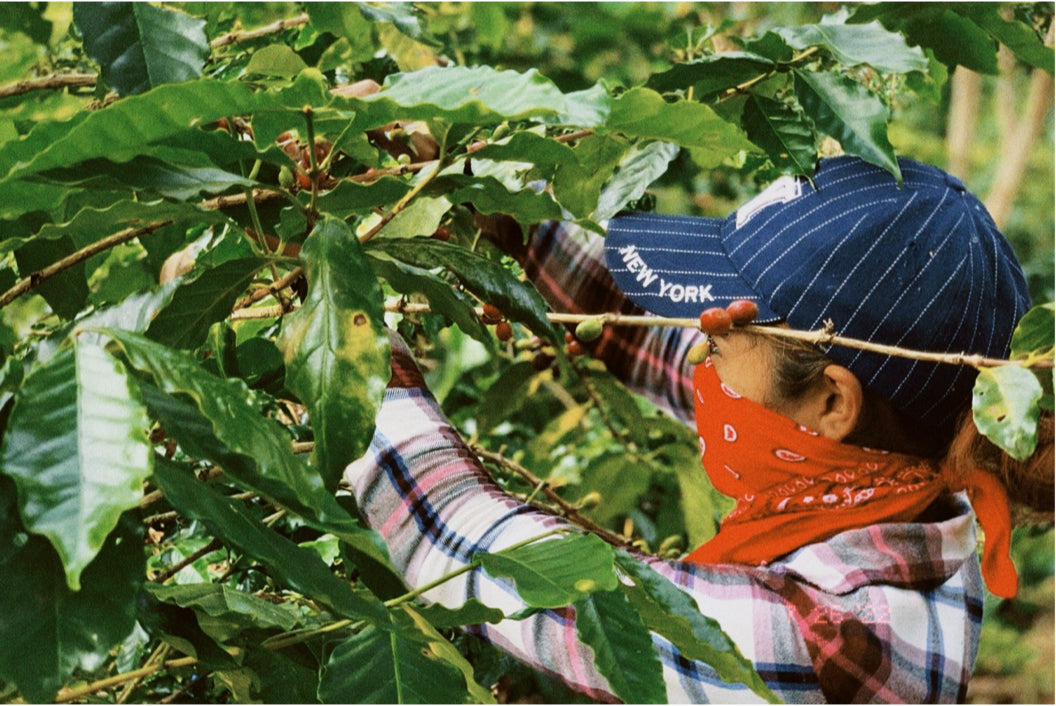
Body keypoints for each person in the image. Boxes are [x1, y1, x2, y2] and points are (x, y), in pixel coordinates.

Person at [343, 156, 1048, 702]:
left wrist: (350, 351)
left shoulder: (836, 638)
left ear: (833, 403)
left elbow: (479, 552)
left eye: (717, 346)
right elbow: (648, 334)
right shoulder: (907, 480)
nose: (698, 361)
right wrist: (500, 212)